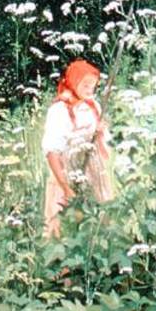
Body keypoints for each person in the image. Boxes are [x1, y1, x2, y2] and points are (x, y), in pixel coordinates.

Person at [42, 59, 113, 238]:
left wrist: (100, 133)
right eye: (86, 84)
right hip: (66, 172)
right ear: (74, 81)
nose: (91, 90)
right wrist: (66, 187)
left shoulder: (94, 106)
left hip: (93, 171)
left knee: (99, 222)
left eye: (94, 86)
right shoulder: (59, 110)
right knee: (63, 227)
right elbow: (52, 153)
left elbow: (105, 149)